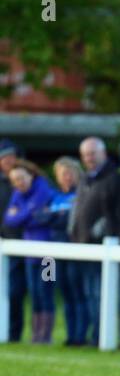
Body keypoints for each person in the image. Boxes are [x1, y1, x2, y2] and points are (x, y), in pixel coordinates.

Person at [75, 137, 120, 346]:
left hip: (103, 246)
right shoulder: (86, 178)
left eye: (92, 153)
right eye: (85, 155)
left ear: (103, 153)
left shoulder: (113, 177)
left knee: (100, 294)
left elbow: (117, 212)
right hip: (83, 245)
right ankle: (94, 334)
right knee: (88, 293)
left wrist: (101, 230)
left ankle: (100, 336)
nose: (89, 158)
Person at [3, 161, 57, 343]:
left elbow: (36, 216)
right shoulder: (19, 193)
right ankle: (36, 334)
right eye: (15, 180)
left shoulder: (43, 189)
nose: (19, 183)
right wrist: (29, 214)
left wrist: (23, 214)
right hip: (30, 255)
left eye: (21, 178)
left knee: (46, 292)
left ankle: (45, 335)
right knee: (34, 293)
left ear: (31, 176)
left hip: (48, 256)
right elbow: (10, 220)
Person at [46, 158, 89, 345]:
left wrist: (55, 217)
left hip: (75, 250)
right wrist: (56, 217)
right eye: (63, 174)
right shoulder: (56, 197)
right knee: (65, 293)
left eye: (70, 173)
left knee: (78, 292)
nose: (67, 177)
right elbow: (42, 218)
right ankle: (70, 335)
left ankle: (80, 334)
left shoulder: (81, 194)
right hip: (57, 252)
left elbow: (67, 221)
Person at [0, 139, 24, 341]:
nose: (9, 161)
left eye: (12, 157)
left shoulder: (36, 181)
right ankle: (12, 332)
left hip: (42, 251)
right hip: (8, 248)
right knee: (12, 292)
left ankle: (43, 335)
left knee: (45, 288)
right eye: (4, 157)